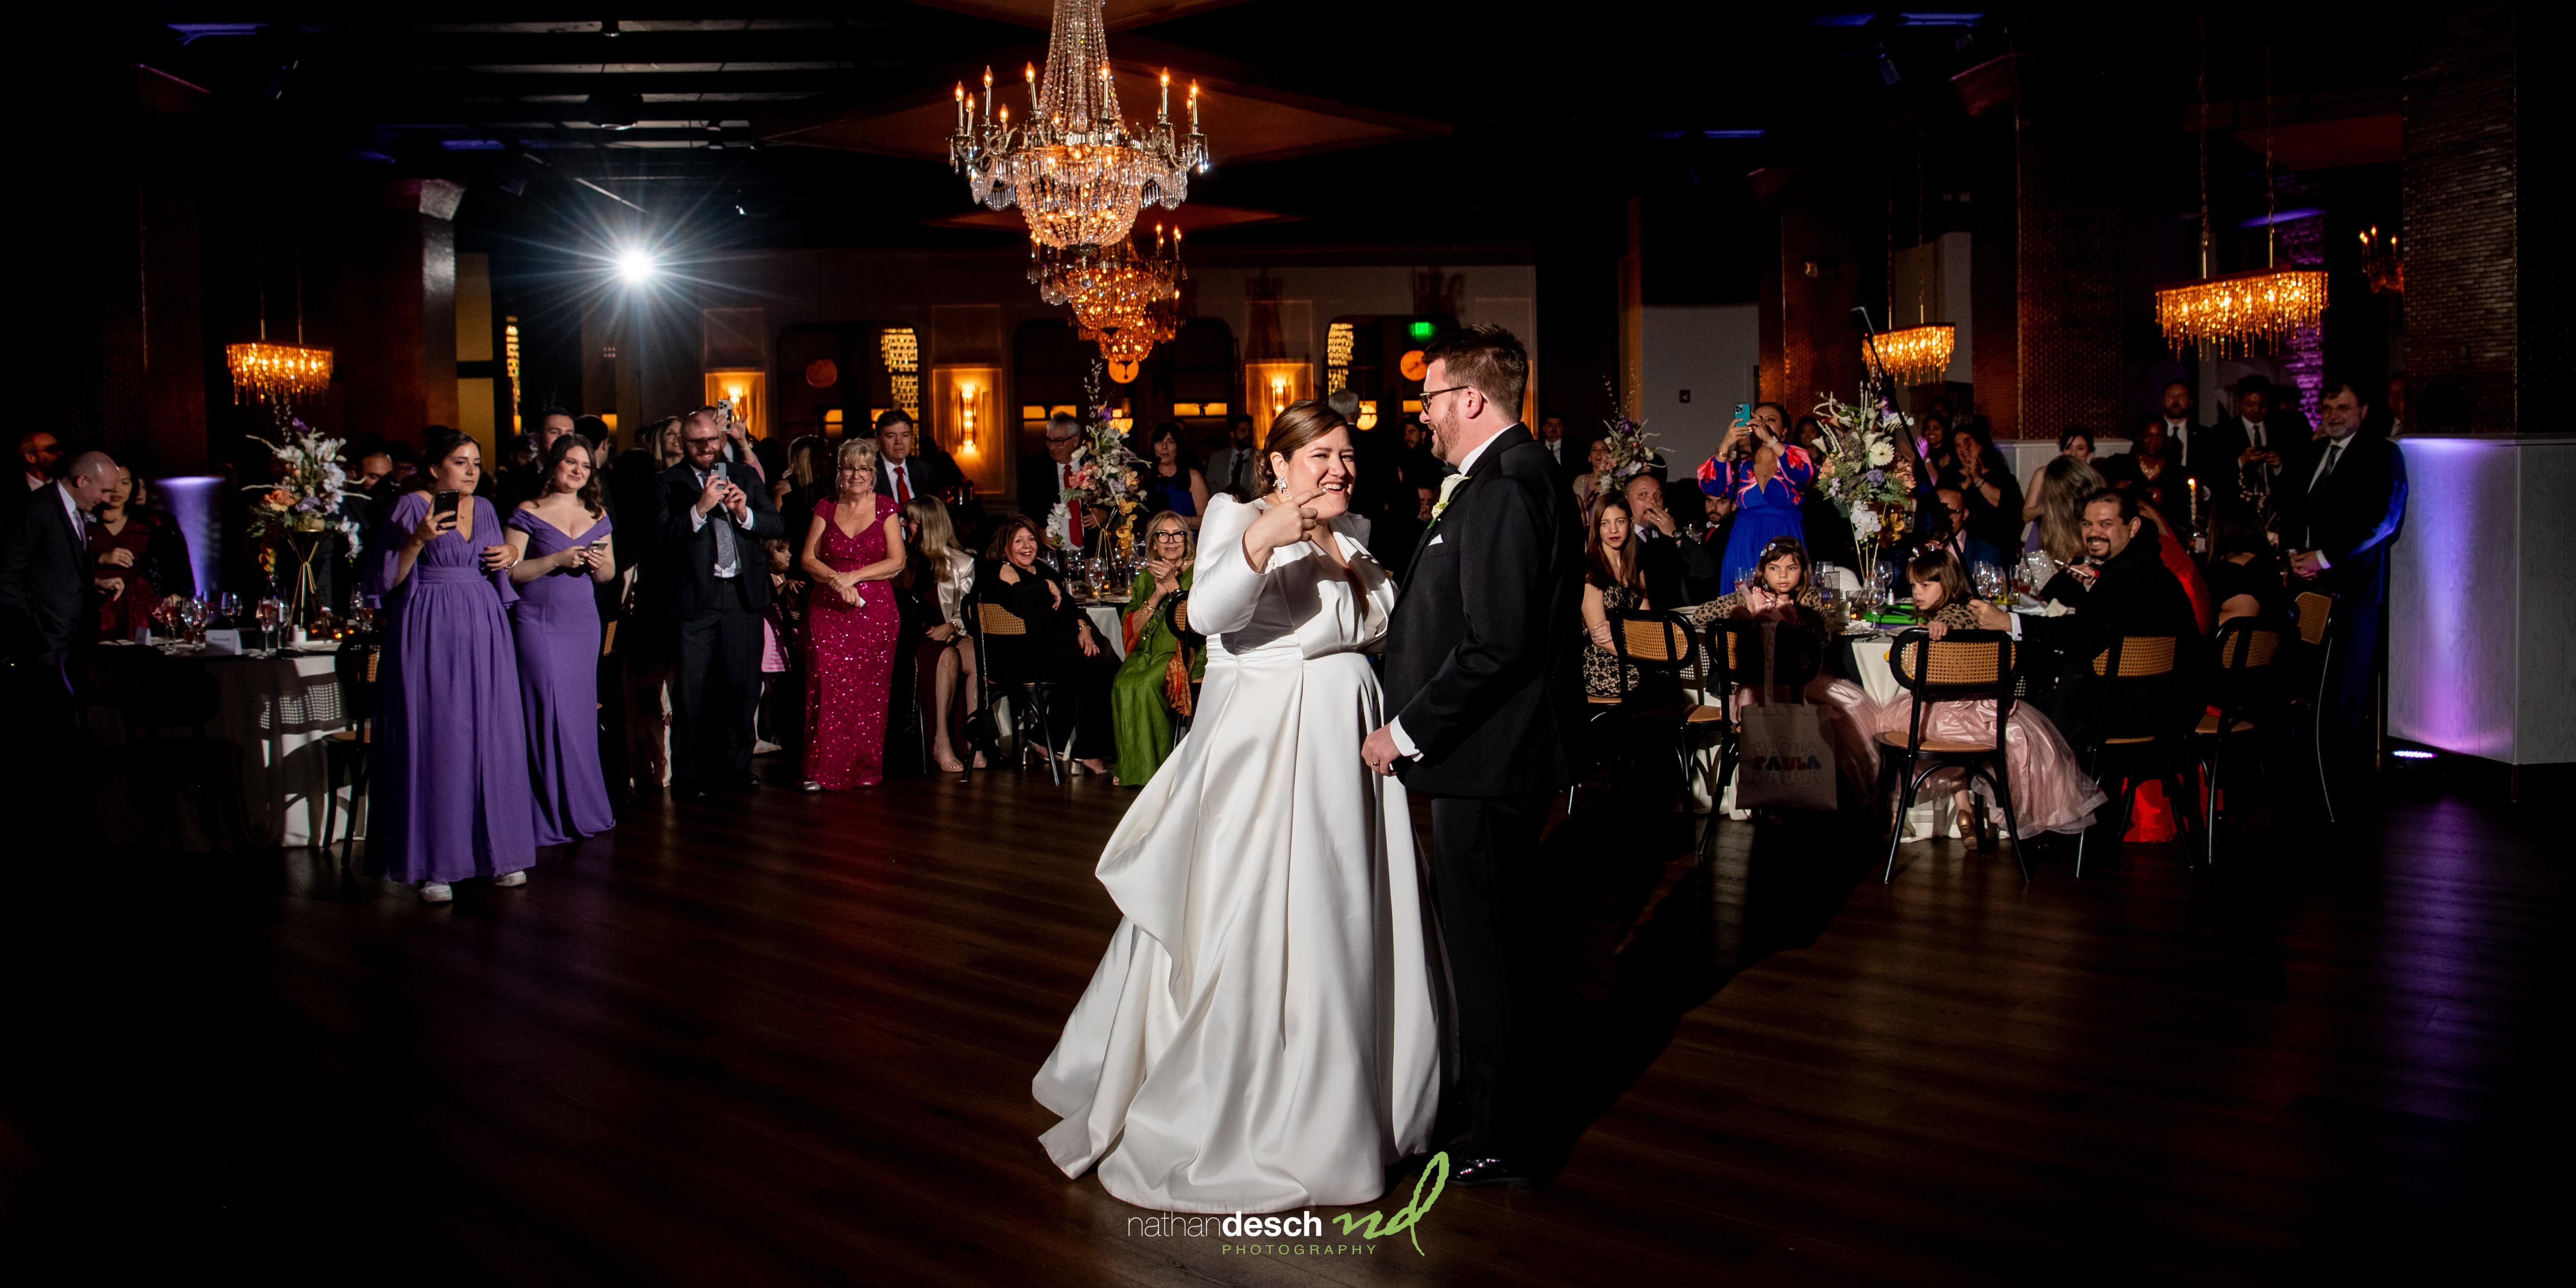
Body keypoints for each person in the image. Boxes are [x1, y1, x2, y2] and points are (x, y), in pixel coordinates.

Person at [1039, 398, 1436, 1213]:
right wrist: (1264, 538)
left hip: (1347, 754)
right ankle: (1246, 1106)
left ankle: (1360, 1096)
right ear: (1278, 464)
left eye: (1346, 455)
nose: (1338, 468)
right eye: (1319, 455)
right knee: (1252, 918)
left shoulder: (1352, 538)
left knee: (1344, 916)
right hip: (1268, 752)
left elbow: (1379, 631)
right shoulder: (1234, 515)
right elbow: (1206, 614)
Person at [1365, 324, 1578, 1189]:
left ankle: (1501, 1134)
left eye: (1430, 399)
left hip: (1489, 763)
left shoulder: (1504, 484)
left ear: (1471, 399)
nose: (1423, 417)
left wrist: (1405, 730)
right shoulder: (1502, 475)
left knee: (1488, 953)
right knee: (1495, 946)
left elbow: (1498, 644)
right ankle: (1497, 1109)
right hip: (1488, 761)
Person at [366, 430, 536, 903]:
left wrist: (510, 555)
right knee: (440, 738)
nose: (470, 470)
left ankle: (499, 853)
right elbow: (386, 580)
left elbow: (497, 567)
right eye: (460, 462)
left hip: (483, 625)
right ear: (435, 467)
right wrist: (418, 540)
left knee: (491, 733)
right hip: (428, 625)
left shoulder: (483, 508)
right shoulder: (410, 505)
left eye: (476, 462)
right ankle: (434, 863)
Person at [1876, 550, 2105, 837]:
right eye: (1913, 586)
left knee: (1904, 728)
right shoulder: (1973, 612)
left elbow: (1949, 637)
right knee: (1947, 739)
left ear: (1947, 584)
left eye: (1925, 585)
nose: (1917, 593)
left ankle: (1904, 811)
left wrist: (1937, 630)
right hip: (1984, 707)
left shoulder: (1951, 619)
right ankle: (1964, 809)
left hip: (1959, 710)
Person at [655, 408, 787, 795]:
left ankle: (736, 768)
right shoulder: (667, 483)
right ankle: (690, 776)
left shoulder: (744, 475)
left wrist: (744, 512)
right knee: (693, 692)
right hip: (697, 598)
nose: (707, 448)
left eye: (713, 440)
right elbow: (661, 537)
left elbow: (775, 525)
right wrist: (699, 509)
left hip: (743, 596)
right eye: (698, 442)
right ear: (684, 443)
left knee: (742, 688)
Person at [1684, 536, 1880, 792]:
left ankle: (1818, 792)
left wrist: (1801, 622)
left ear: (1803, 571)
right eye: (1774, 569)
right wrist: (1740, 610)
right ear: (1763, 572)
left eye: (1792, 568)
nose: (1783, 576)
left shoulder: (1807, 600)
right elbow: (1702, 613)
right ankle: (1778, 793)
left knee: (1843, 714)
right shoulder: (1751, 597)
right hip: (1760, 687)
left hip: (1802, 683)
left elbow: (1823, 638)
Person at [2272, 378, 2407, 744]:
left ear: (2362, 412)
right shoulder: (2312, 452)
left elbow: (2383, 520)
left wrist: (2324, 558)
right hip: (2306, 583)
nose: (2333, 416)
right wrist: (2294, 556)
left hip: (2354, 586)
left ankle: (2342, 757)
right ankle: (2305, 751)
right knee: (2305, 673)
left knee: (2347, 678)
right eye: (2328, 409)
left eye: (2342, 408)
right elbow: (2291, 510)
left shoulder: (2382, 454)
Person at [503, 433, 619, 847]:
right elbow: (510, 572)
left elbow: (608, 577)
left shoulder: (596, 512)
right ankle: (543, 811)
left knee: (578, 714)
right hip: (536, 619)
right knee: (543, 708)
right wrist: (555, 559)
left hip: (581, 622)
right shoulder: (528, 511)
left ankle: (583, 808)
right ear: (554, 464)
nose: (577, 471)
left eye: (585, 466)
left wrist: (599, 564)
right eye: (570, 462)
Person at [2025, 489, 2199, 748]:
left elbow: (2084, 634)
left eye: (2106, 524)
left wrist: (2011, 624)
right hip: (2159, 703)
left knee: (2017, 717)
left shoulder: (2126, 575)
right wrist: (2090, 587)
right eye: (2087, 524)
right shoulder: (2144, 563)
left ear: (2133, 527)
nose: (2094, 532)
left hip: (2138, 712)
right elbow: (2109, 613)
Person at [797, 438, 906, 791]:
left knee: (868, 692)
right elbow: (808, 559)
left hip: (874, 611)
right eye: (849, 468)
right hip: (828, 609)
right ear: (839, 472)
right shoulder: (825, 507)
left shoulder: (887, 508)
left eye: (863, 469)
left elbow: (897, 561)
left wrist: (854, 576)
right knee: (826, 686)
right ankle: (820, 769)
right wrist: (835, 581)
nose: (856, 475)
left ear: (872, 474)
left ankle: (863, 767)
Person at [978, 514, 1117, 774]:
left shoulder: (1041, 567)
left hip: (1047, 649)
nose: (1027, 545)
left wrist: (1083, 628)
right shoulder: (1003, 569)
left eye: (1031, 538)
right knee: (1092, 666)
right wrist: (1047, 585)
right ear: (1006, 546)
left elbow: (1069, 605)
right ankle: (1087, 751)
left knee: (1096, 659)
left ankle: (1045, 738)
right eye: (1018, 541)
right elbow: (1025, 605)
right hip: (1018, 656)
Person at [1106, 511, 1202, 786]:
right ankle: (1131, 767)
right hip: (1147, 651)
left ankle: (1155, 772)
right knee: (1123, 683)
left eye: (1178, 534)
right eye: (1163, 535)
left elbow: (1196, 622)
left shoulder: (1199, 571)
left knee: (1147, 685)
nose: (1171, 541)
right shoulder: (1147, 577)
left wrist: (1173, 588)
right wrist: (1157, 593)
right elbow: (1132, 625)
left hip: (1182, 651)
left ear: (1187, 539)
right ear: (1154, 544)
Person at [1, 451, 116, 674]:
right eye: (104, 491)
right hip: (42, 647)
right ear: (82, 481)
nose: (106, 499)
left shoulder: (79, 511)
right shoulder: (36, 509)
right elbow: (6, 577)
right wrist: (36, 629)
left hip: (75, 645)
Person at [902, 495, 981, 773]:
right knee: (947, 657)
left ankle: (974, 740)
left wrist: (953, 627)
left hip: (949, 632)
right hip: (914, 639)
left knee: (974, 655)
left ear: (926, 524)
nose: (904, 525)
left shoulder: (961, 563)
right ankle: (942, 741)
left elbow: (968, 607)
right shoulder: (904, 560)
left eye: (909, 521)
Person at [1698, 406, 1815, 589]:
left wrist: (1770, 440)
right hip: (1745, 540)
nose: (1762, 423)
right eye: (1758, 418)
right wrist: (1727, 442)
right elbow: (1713, 486)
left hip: (1785, 542)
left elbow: (1804, 474)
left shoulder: (1795, 457)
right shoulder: (1740, 465)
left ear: (1784, 431)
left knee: (1786, 612)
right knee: (1742, 609)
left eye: (1771, 420)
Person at [88, 464, 191, 639]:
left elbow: (181, 569)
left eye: (125, 483)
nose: (117, 490)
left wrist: (174, 600)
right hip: (95, 613)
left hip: (148, 612)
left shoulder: (156, 523)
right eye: (111, 483)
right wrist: (99, 559)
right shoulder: (83, 523)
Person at [1578, 493, 1651, 700]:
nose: (1613, 530)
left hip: (1633, 655)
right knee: (1651, 680)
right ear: (1597, 528)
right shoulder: (1590, 571)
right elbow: (1599, 638)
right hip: (1601, 663)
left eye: (1620, 522)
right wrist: (1645, 655)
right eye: (1605, 524)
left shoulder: (1635, 569)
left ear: (1631, 523)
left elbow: (1647, 625)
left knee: (1667, 679)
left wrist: (1619, 629)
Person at [1622, 472, 1715, 610]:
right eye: (1643, 495)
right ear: (1627, 501)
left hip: (1679, 619)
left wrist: (1674, 534)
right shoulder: (1621, 539)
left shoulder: (1672, 537)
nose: (1653, 501)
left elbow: (1706, 570)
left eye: (1658, 495)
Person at [1948, 418, 2023, 557]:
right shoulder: (1950, 476)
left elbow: (2004, 505)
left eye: (1967, 442)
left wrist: (1977, 479)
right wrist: (1968, 481)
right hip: (1962, 548)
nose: (1963, 449)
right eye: (1958, 446)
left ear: (1980, 444)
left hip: (1996, 548)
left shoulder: (2002, 476)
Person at [2203, 504, 2284, 628]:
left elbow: (2242, 615)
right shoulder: (2268, 565)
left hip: (2238, 645)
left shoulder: (2227, 573)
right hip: (2274, 646)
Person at [1016, 413, 1087, 546]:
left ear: (1075, 441)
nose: (1052, 447)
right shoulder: (1036, 473)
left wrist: (1103, 514)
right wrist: (1038, 532)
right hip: (1054, 553)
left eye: (1059, 442)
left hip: (1093, 552)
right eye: (1049, 441)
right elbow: (1024, 515)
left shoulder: (1093, 467)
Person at [873, 411, 952, 508]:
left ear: (912, 437)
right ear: (878, 440)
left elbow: (934, 513)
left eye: (905, 436)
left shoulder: (924, 470)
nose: (899, 442)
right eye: (891, 436)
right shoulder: (868, 472)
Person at [2104, 416, 2181, 515]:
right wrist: (2115, 491)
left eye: (2159, 436)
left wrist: (2163, 501)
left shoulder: (2174, 469)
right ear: (2139, 437)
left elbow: (2181, 506)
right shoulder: (2119, 463)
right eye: (2148, 435)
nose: (2154, 441)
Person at [1139, 422, 1209, 531]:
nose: (1164, 447)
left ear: (1178, 446)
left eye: (1170, 442)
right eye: (1159, 442)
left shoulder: (1193, 476)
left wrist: (1180, 521)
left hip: (1185, 542)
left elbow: (1206, 520)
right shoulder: (1145, 477)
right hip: (1153, 542)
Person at [2022, 427, 2096, 528]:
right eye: (2068, 448)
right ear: (2062, 451)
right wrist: (2046, 509)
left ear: (2090, 453)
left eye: (2080, 448)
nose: (2073, 453)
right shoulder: (2044, 474)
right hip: (2048, 535)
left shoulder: (2094, 477)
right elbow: (2026, 516)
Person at [1932, 487, 2004, 572]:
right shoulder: (1920, 546)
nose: (1943, 519)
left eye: (1951, 512)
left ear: (1965, 515)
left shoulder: (1988, 553)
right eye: (1937, 512)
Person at [1203, 413, 1259, 501]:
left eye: (1250, 431)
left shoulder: (1260, 458)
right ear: (1233, 434)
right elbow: (1210, 485)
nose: (1248, 435)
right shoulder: (1217, 458)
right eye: (1243, 431)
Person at [2154, 380, 2206, 471]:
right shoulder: (2148, 433)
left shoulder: (2205, 436)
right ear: (2163, 401)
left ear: (2190, 402)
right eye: (2171, 396)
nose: (2176, 400)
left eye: (2182, 396)